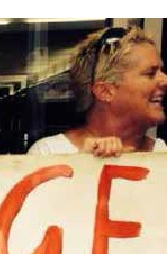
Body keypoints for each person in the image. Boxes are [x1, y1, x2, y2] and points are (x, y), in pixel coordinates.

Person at [28, 26, 167, 156]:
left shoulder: (162, 152)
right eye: (150, 74)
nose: (165, 80)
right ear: (105, 91)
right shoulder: (50, 152)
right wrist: (84, 163)